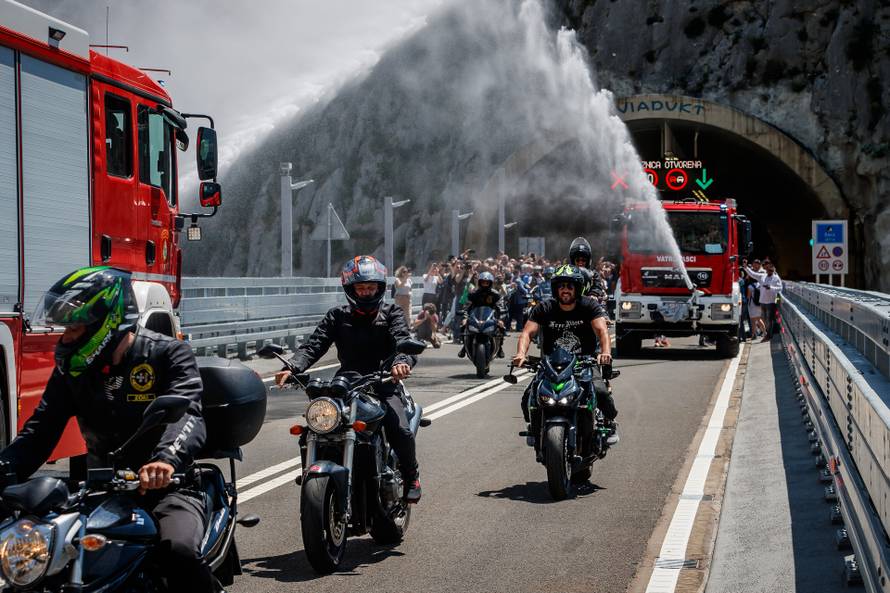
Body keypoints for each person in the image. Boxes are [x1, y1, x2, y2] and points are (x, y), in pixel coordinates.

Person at [0, 267, 214, 591]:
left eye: (74, 328)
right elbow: (39, 433)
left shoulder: (168, 353)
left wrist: (165, 461)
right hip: (98, 489)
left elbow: (188, 415)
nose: (65, 338)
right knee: (36, 554)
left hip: (169, 486)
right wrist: (3, 470)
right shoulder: (74, 373)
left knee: (178, 550)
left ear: (107, 321)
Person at [275, 256, 422, 502]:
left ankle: (411, 476)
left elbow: (402, 340)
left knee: (400, 429)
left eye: (371, 288)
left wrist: (401, 363)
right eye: (361, 288)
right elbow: (314, 345)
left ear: (380, 288)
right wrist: (293, 367)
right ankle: (313, 468)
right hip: (348, 381)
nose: (365, 293)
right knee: (317, 423)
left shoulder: (391, 312)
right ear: (350, 289)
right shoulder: (337, 316)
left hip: (383, 381)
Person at [513, 265, 619, 445]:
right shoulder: (544, 308)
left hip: (583, 361)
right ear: (556, 288)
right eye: (561, 286)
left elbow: (602, 331)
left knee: (600, 391)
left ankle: (609, 424)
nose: (565, 290)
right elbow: (527, 333)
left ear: (577, 288)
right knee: (528, 397)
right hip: (551, 364)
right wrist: (521, 354)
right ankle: (535, 428)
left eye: (570, 286)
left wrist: (605, 353)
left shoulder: (589, 306)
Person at [458, 271, 506, 359]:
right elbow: (467, 306)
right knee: (464, 326)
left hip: (491, 317)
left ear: (490, 283)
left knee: (501, 328)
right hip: (475, 317)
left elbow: (500, 307)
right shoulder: (473, 293)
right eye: (483, 282)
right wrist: (465, 317)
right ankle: (464, 347)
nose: (485, 284)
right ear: (479, 282)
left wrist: (500, 318)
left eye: (487, 282)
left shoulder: (495, 294)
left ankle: (500, 348)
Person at [746, 259, 782, 341]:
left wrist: (771, 288)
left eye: (770, 271)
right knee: (765, 320)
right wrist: (745, 268)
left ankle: (769, 335)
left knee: (770, 319)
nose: (769, 272)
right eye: (767, 270)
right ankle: (768, 334)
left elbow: (780, 288)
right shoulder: (763, 276)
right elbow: (752, 274)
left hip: (771, 302)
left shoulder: (776, 278)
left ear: (773, 271)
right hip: (762, 302)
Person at [568, 237, 606, 303]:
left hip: (588, 305)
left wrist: (593, 294)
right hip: (569, 303)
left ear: (587, 261)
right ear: (573, 261)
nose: (580, 262)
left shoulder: (593, 274)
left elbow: (597, 286)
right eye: (577, 260)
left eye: (583, 260)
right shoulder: (567, 273)